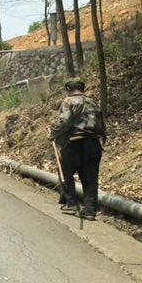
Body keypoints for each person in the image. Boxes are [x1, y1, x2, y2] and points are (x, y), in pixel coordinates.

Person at [49, 77, 107, 220]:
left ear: (68, 89)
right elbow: (101, 124)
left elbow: (64, 122)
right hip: (93, 143)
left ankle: (71, 203)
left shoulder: (68, 101)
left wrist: (53, 133)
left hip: (74, 143)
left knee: (67, 173)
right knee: (90, 177)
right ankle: (90, 211)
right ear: (82, 89)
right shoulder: (93, 102)